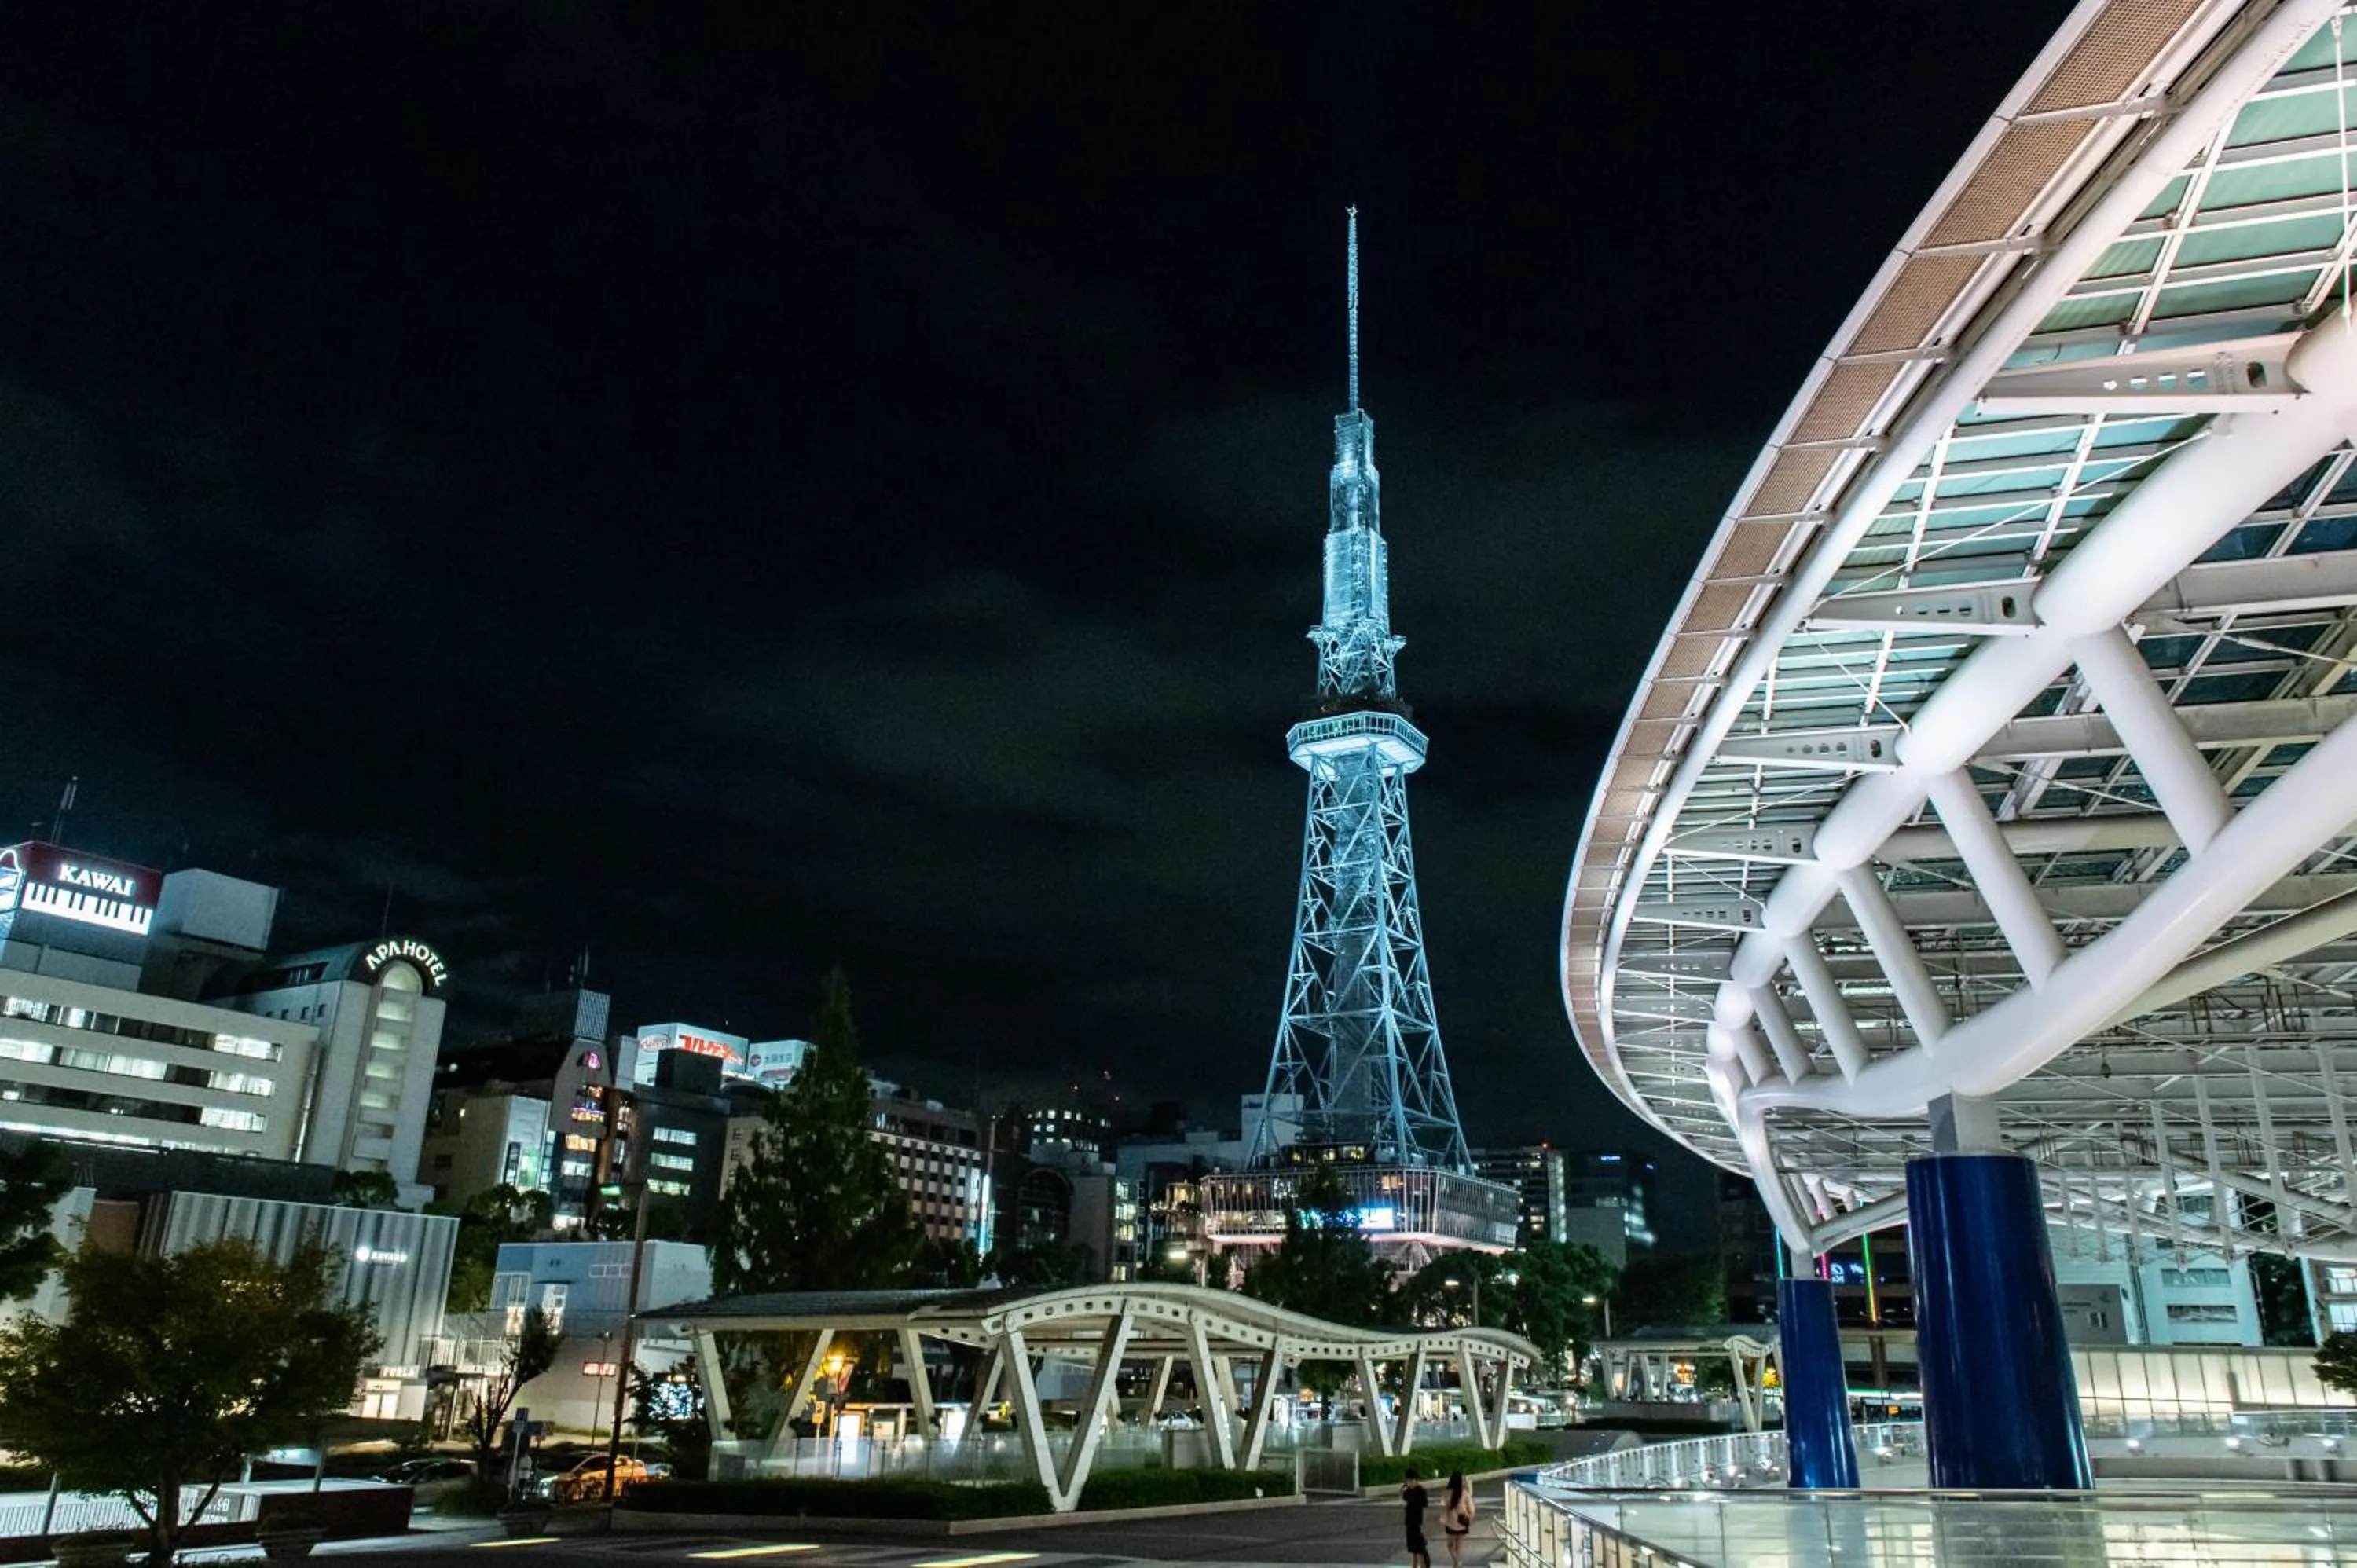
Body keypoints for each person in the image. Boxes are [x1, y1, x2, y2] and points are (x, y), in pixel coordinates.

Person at [1441, 1471, 1475, 1568]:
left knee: (1450, 1546)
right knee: (1458, 1547)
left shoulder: (1446, 1493)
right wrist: (1469, 1518)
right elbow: (1471, 1509)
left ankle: (1456, 1562)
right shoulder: (1465, 1493)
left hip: (1451, 1523)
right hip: (1463, 1522)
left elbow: (1444, 1506)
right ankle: (1457, 1564)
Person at [1400, 1467, 1431, 1568]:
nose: (1408, 1483)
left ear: (1414, 1480)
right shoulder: (1407, 1491)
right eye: (1407, 1481)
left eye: (1410, 1481)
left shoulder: (1421, 1491)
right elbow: (1403, 1502)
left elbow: (1424, 1508)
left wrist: (1424, 1525)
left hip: (1418, 1523)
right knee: (1413, 1549)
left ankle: (1424, 1566)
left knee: (1420, 1550)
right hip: (1409, 1522)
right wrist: (1402, 1492)